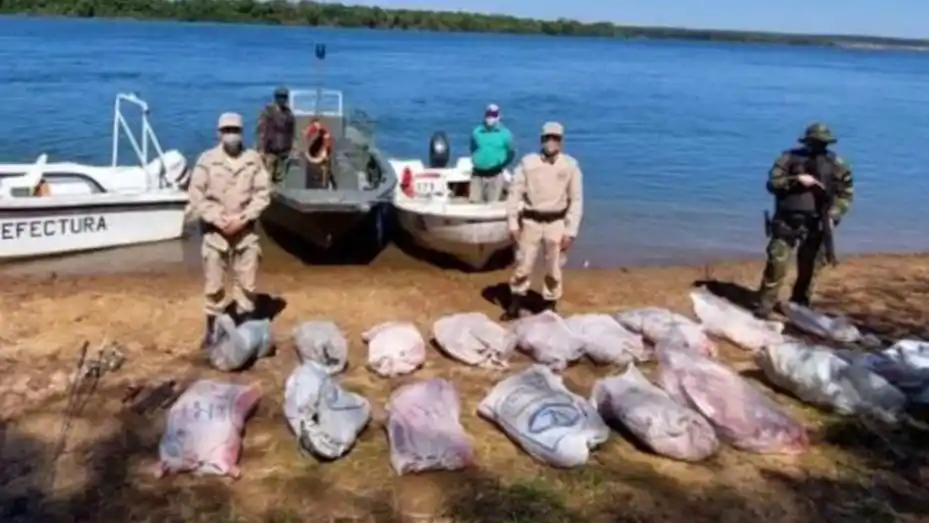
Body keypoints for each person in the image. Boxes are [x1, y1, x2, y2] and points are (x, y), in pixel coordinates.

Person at [754, 122, 854, 319]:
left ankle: (800, 304)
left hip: (817, 224)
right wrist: (795, 180)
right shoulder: (788, 158)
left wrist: (834, 215)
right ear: (807, 141)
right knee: (776, 266)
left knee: (810, 269)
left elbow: (846, 194)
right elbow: (772, 184)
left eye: (822, 143)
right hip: (787, 221)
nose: (817, 146)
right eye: (814, 142)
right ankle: (765, 304)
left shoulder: (837, 164)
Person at [188, 112, 271, 346]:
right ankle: (211, 330)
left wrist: (244, 219)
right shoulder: (207, 160)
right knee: (214, 284)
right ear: (218, 133)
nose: (230, 135)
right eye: (226, 130)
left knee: (247, 284)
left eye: (234, 130)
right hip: (216, 233)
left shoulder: (253, 159)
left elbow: (263, 194)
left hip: (246, 233)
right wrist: (218, 219)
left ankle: (244, 328)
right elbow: (196, 195)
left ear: (241, 133)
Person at [502, 122, 583, 320]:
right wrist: (513, 224)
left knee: (554, 267)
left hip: (556, 223)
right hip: (531, 221)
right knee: (523, 264)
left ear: (561, 141)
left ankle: (550, 304)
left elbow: (576, 200)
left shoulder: (570, 166)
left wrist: (571, 231)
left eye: (555, 138)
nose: (551, 142)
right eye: (547, 138)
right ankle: (516, 302)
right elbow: (514, 194)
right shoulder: (528, 163)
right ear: (541, 140)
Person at [469, 103, 515, 203]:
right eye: (489, 114)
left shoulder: (505, 134)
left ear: (498, 117)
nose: (490, 118)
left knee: (493, 204)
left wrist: (500, 164)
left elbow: (511, 153)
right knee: (474, 204)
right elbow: (472, 148)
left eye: (494, 115)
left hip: (495, 175)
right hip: (477, 175)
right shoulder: (477, 132)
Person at [256, 87, 295, 183]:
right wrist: (261, 150)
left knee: (280, 180)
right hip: (270, 152)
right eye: (280, 97)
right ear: (275, 98)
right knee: (266, 179)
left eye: (284, 97)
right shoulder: (268, 112)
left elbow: (291, 133)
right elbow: (261, 131)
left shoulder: (288, 114)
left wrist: (293, 149)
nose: (282, 99)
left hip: (283, 152)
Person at [303, 117, 333, 188]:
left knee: (324, 167)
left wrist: (324, 152)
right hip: (318, 154)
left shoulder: (323, 132)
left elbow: (327, 144)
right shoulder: (319, 133)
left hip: (322, 155)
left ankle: (324, 183)